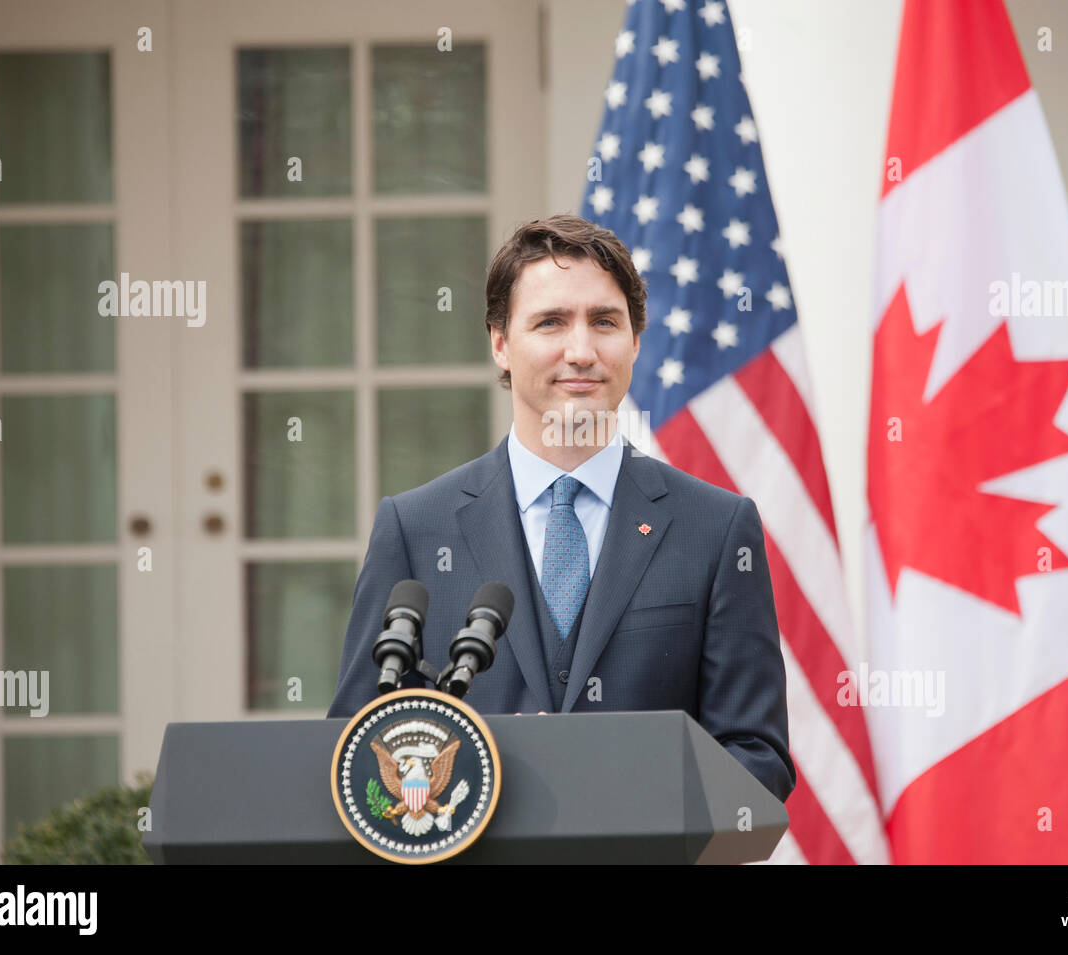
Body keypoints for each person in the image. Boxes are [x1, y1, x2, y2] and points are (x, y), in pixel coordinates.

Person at [328, 214, 795, 803]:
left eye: (605, 322)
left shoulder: (719, 529)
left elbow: (757, 759)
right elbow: (352, 749)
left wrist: (619, 790)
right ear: (500, 344)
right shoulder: (414, 528)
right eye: (551, 323)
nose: (581, 350)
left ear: (635, 341)